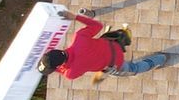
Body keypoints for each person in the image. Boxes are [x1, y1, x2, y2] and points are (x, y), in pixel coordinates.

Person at [39, 13, 169, 80]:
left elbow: (63, 69)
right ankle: (160, 57)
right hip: (115, 45)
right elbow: (98, 26)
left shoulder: (71, 73)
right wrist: (75, 17)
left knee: (133, 68)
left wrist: (51, 67)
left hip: (115, 63)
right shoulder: (79, 38)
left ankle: (160, 59)